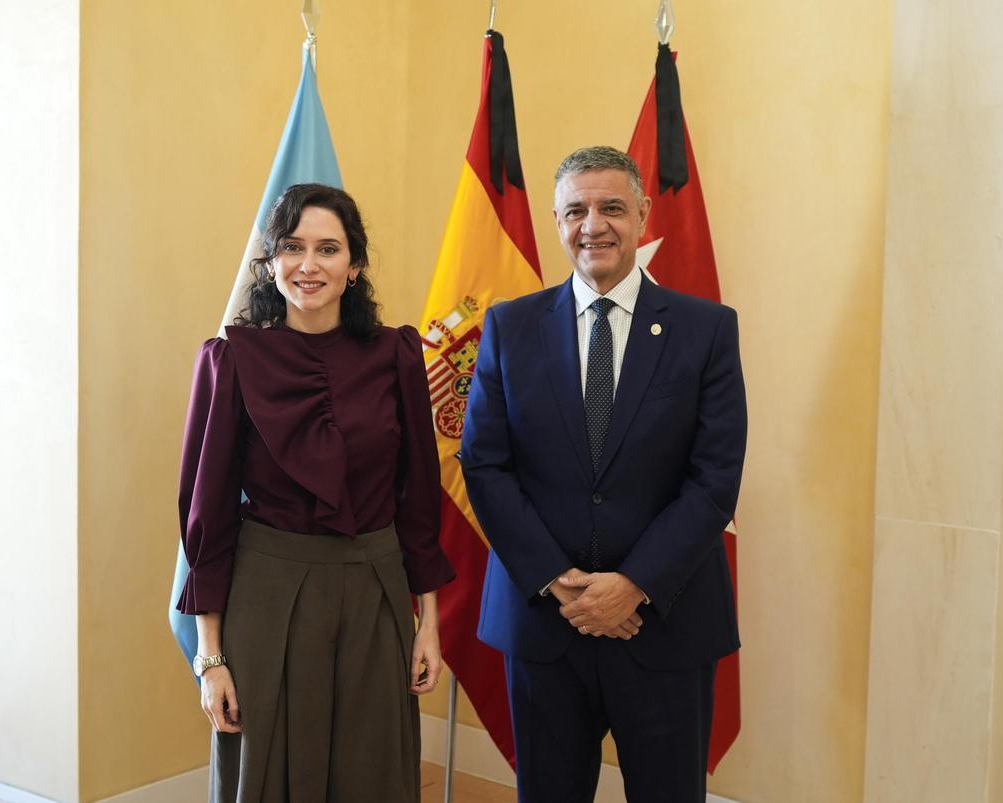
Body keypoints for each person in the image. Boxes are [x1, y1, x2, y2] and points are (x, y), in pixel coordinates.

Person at [461, 146, 747, 803]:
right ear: (558, 222)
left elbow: (714, 476)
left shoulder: (706, 331)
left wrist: (633, 585)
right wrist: (560, 582)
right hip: (544, 624)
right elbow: (485, 463)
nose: (593, 225)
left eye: (612, 207)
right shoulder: (510, 326)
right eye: (576, 211)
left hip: (664, 624)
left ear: (644, 214)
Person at [175, 183, 455, 803]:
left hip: (376, 596)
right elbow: (208, 517)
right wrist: (210, 658)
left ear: (354, 266)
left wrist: (428, 625)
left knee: (372, 775)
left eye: (328, 249)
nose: (309, 265)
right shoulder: (230, 361)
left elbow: (418, 501)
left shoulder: (398, 355)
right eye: (293, 247)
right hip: (266, 596)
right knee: (267, 778)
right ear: (271, 261)